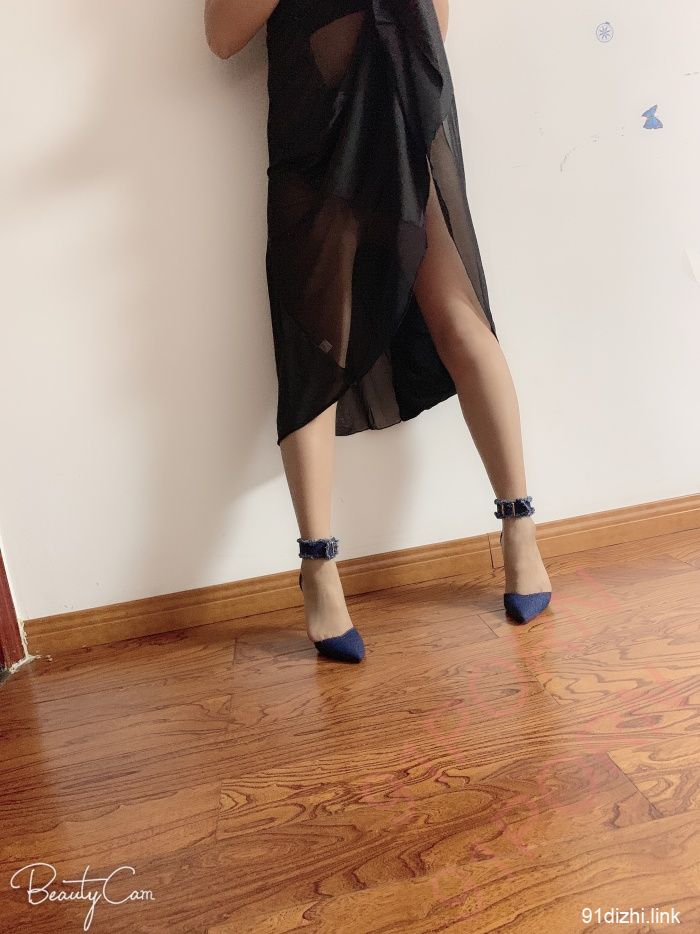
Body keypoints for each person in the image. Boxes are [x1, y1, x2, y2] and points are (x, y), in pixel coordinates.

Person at [204, 0, 552, 663]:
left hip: (400, 128)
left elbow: (435, 25)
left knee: (459, 320)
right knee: (316, 350)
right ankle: (318, 568)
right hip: (315, 148)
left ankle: (520, 528)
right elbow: (221, 37)